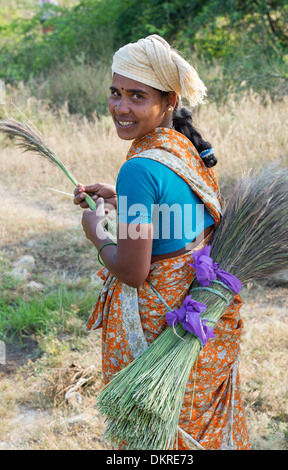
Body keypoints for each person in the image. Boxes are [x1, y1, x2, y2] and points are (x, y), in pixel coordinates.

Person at [73, 34, 251, 450]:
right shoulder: (187, 148)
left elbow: (134, 272)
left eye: (137, 96)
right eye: (115, 93)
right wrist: (125, 201)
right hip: (198, 312)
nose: (120, 107)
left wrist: (97, 233)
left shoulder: (138, 169)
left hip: (159, 327)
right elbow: (184, 215)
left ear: (169, 100)